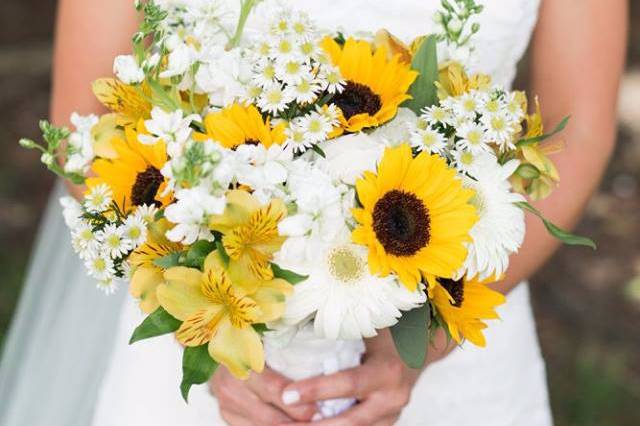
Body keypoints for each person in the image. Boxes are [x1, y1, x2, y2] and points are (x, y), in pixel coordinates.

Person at [0, 0, 627, 425]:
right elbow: (85, 125)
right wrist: (210, 319)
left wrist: (430, 334)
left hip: (458, 333)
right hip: (204, 345)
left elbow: (579, 129)